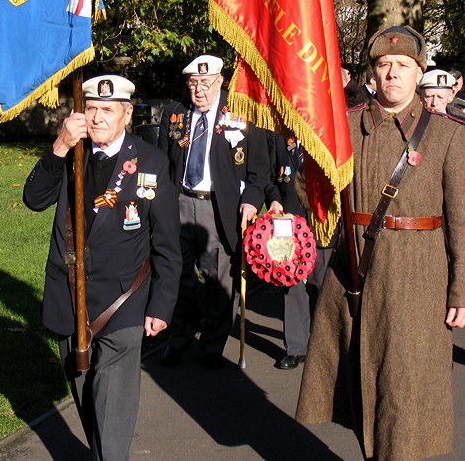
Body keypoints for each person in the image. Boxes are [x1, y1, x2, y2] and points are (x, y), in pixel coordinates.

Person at [296, 26, 465, 460]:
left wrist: (460, 289)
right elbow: (307, 190)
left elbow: (461, 219)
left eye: (403, 65)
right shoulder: (345, 126)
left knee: (403, 393)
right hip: (355, 273)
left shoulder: (447, 134)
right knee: (358, 384)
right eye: (384, 65)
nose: (393, 73)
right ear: (373, 74)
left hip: (418, 277)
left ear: (418, 72)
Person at [23, 75, 182, 461]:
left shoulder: (152, 162)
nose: (97, 118)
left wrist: (160, 306)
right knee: (88, 401)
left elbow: (167, 245)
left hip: (122, 302)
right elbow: (33, 199)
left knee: (112, 410)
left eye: (107, 110)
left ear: (126, 114)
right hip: (70, 298)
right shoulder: (69, 154)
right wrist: (60, 145)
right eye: (90, 108)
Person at [158, 55, 269, 369]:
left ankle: (212, 344)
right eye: (193, 83)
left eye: (206, 83)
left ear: (221, 81)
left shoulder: (243, 114)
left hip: (218, 208)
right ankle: (179, 336)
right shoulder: (175, 112)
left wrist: (251, 200)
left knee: (219, 278)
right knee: (177, 275)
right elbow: (165, 163)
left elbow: (260, 171)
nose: (199, 91)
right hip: (179, 202)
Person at [265, 131, 334, 369]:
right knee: (292, 284)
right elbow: (270, 177)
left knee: (322, 285)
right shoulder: (279, 135)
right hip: (290, 222)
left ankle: (326, 345)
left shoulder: (329, 131)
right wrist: (274, 199)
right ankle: (296, 347)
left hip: (323, 221)